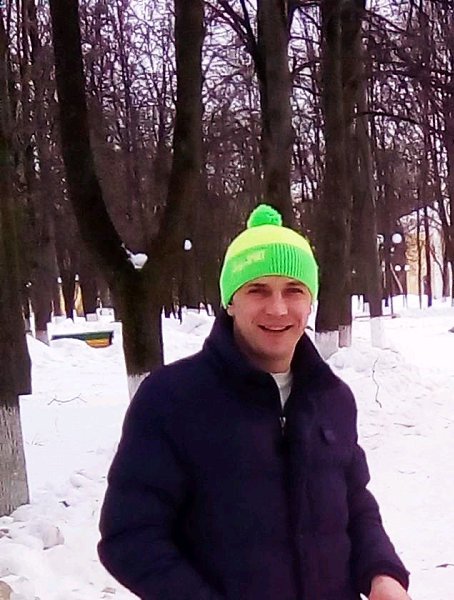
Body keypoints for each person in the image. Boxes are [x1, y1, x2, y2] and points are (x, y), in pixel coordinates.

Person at [98, 204, 410, 600]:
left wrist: (382, 573)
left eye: (293, 290)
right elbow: (130, 536)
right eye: (257, 290)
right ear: (231, 301)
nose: (277, 308)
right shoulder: (171, 399)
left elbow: (356, 506)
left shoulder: (332, 399)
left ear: (310, 301)